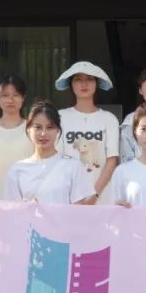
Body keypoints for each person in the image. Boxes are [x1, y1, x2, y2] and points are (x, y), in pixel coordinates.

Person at [4, 101, 97, 204]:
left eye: (50, 127)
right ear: (28, 129)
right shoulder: (17, 170)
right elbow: (13, 210)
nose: (43, 133)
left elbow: (80, 209)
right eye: (38, 127)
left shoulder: (73, 166)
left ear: (57, 130)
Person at [54, 61, 121, 205]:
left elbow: (112, 160)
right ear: (71, 85)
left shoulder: (109, 119)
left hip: (102, 197)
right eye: (78, 79)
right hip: (68, 197)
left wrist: (94, 195)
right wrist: (71, 193)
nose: (84, 84)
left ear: (97, 84)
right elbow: (57, 159)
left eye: (89, 79)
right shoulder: (60, 117)